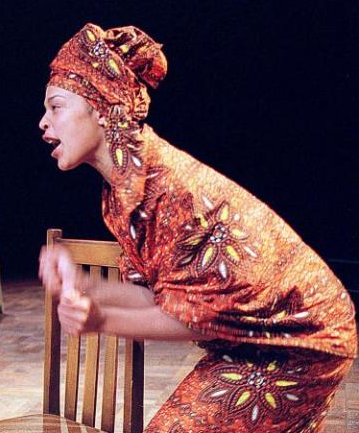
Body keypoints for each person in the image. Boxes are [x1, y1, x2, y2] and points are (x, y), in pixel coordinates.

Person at [37, 23, 356, 432]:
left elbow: (193, 319)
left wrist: (99, 317)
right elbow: (161, 297)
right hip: (249, 341)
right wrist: (85, 286)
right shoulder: (121, 194)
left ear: (100, 106)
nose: (43, 123)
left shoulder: (170, 189)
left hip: (303, 342)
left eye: (56, 106)